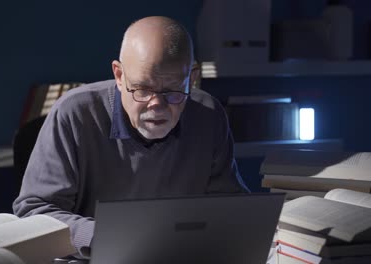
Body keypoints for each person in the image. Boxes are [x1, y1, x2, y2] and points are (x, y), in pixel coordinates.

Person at [13, 16, 249, 259]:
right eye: (143, 89)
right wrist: (107, 237)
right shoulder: (74, 113)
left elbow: (229, 204)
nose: (156, 105)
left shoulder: (208, 115)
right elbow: (35, 212)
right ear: (118, 75)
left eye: (172, 90)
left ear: (192, 76)